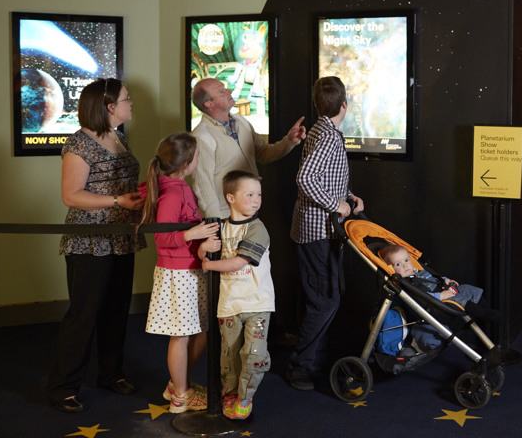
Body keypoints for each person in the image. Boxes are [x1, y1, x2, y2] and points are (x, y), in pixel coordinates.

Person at [47, 78, 147, 413]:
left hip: (121, 237)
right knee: (83, 315)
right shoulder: (80, 143)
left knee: (116, 311)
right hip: (89, 242)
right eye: (126, 99)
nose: (131, 103)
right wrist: (119, 199)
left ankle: (111, 374)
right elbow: (71, 195)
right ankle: (64, 388)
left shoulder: (118, 136)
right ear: (108, 107)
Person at [286, 76, 364, 391]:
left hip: (317, 228)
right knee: (325, 299)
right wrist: (336, 204)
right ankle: (301, 366)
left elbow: (326, 175)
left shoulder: (322, 130)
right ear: (344, 104)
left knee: (324, 295)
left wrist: (348, 197)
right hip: (318, 230)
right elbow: (305, 177)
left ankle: (314, 358)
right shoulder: (329, 136)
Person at [138, 132, 222, 413]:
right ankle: (180, 397)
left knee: (200, 330)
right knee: (182, 335)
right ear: (187, 162)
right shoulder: (173, 192)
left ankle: (179, 384)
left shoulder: (179, 186)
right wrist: (193, 233)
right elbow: (162, 238)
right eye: (198, 155)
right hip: (177, 274)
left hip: (190, 269)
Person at [201, 170, 274, 420]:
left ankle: (245, 396)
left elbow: (240, 261)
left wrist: (209, 265)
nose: (256, 200)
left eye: (259, 195)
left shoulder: (257, 228)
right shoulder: (220, 227)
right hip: (229, 304)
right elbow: (203, 250)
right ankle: (230, 393)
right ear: (230, 198)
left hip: (257, 303)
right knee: (229, 356)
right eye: (250, 194)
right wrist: (203, 249)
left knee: (254, 354)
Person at [190, 77, 306, 218]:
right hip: (227, 218)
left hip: (251, 212)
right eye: (221, 91)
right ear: (209, 104)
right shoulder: (201, 137)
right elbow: (203, 188)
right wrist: (216, 226)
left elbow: (263, 153)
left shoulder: (242, 122)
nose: (229, 91)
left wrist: (289, 141)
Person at [377, 243, 497, 319]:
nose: (405, 265)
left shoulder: (417, 272)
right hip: (436, 304)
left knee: (467, 288)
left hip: (444, 290)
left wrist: (445, 280)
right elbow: (421, 297)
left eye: (407, 260)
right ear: (391, 268)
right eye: (398, 264)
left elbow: (433, 279)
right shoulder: (406, 284)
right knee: (459, 300)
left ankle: (487, 308)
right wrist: (441, 296)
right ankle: (484, 314)